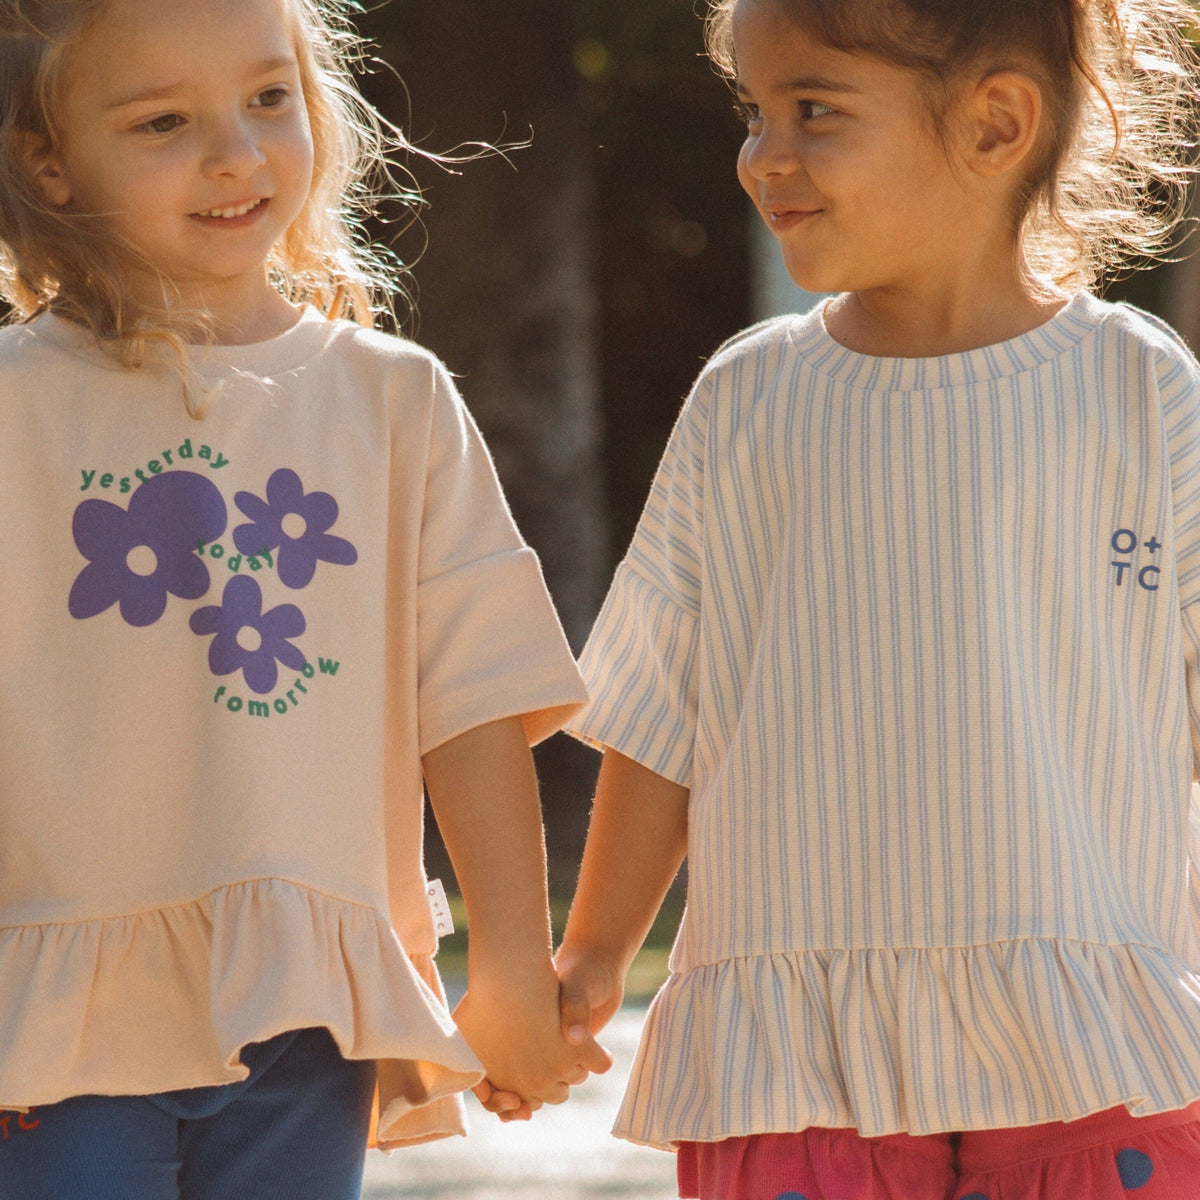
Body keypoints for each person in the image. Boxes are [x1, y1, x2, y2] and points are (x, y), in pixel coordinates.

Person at [556, 0, 1200, 1197]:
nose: (763, 154)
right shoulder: (747, 401)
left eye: (814, 109)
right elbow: (660, 716)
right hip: (797, 1049)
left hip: (1095, 1037)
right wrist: (592, 957)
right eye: (755, 111)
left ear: (995, 122)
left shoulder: (1140, 388)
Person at [0, 0, 610, 1197]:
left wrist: (512, 971)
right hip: (57, 1014)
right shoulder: (16, 408)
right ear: (48, 164)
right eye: (165, 120)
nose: (238, 152)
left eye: (269, 98)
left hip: (308, 1010)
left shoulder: (393, 402)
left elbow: (475, 709)